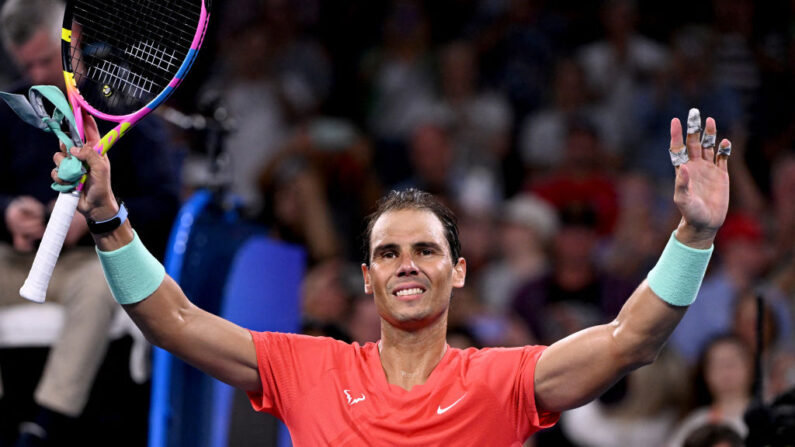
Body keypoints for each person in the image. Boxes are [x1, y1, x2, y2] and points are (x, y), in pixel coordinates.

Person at [54, 108, 732, 444]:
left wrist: (693, 234)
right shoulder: (306, 367)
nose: (405, 262)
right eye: (387, 253)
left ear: (459, 271)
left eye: (426, 249)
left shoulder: (500, 381)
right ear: (367, 278)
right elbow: (172, 320)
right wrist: (111, 219)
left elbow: (628, 341)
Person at [0, 0, 179, 444]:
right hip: (16, 258)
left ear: (73, 40)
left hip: (87, 262)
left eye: (47, 59)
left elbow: (164, 202)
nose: (39, 74)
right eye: (29, 65)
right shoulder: (8, 110)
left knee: (103, 284)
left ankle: (44, 426)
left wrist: (100, 219)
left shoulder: (124, 104)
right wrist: (6, 211)